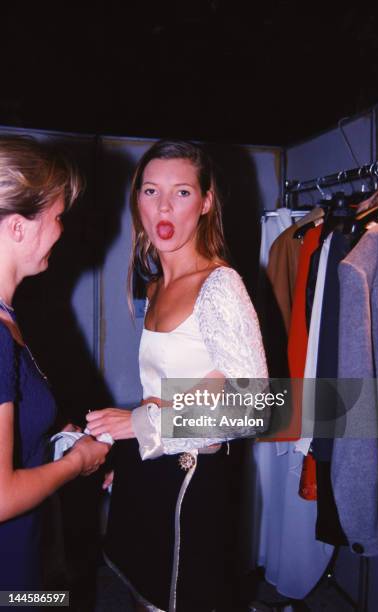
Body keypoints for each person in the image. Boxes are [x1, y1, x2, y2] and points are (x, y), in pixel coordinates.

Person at [86, 139, 268, 611]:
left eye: (182, 192)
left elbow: (253, 407)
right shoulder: (155, 285)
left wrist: (139, 426)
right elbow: (167, 391)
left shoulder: (219, 286)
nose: (164, 206)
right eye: (151, 191)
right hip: (155, 472)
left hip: (197, 488)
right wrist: (129, 451)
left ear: (206, 202)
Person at [0, 136, 110, 591]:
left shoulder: (9, 316)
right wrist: (77, 462)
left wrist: (58, 436)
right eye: (58, 216)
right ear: (18, 227)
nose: (63, 230)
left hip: (29, 547)